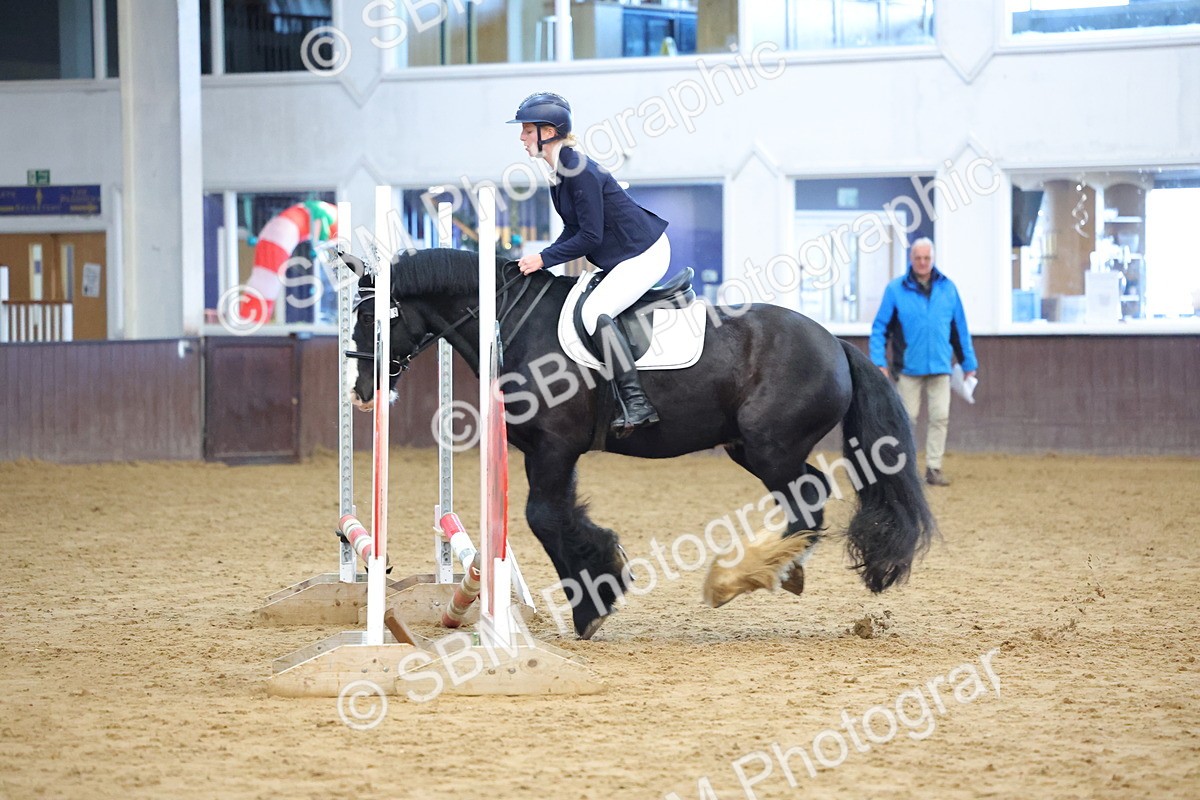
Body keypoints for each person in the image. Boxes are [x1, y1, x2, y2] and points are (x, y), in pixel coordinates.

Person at [508, 91, 670, 437]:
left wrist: (544, 258)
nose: (521, 138)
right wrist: (542, 259)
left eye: (526, 130)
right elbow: (573, 228)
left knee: (594, 312)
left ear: (548, 132)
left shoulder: (576, 170)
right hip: (620, 255)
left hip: (643, 252)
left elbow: (591, 237)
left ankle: (636, 401)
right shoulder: (558, 171)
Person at [870, 238, 978, 487]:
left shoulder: (948, 289)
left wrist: (968, 361)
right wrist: (879, 361)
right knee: (907, 419)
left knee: (940, 417)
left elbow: (959, 329)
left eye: (926, 258)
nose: (922, 262)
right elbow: (879, 329)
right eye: (918, 258)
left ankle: (933, 468)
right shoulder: (895, 290)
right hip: (907, 369)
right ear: (911, 259)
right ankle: (905, 469)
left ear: (933, 259)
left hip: (941, 367)